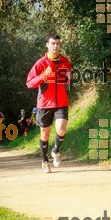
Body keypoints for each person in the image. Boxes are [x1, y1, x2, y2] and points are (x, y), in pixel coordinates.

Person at [26, 34, 71, 173]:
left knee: (61, 129)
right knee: (44, 135)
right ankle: (45, 161)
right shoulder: (40, 63)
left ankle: (56, 151)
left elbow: (67, 79)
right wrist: (43, 76)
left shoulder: (65, 61)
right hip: (45, 104)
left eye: (57, 43)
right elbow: (29, 83)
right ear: (47, 45)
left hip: (61, 102)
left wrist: (69, 78)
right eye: (52, 43)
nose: (55, 46)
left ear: (60, 45)